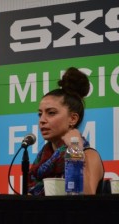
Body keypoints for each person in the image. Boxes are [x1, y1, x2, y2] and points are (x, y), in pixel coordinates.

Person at [28, 67, 104, 196]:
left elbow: (86, 198)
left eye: (51, 113)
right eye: (40, 114)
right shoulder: (41, 161)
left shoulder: (89, 155)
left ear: (73, 119)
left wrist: (75, 151)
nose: (42, 120)